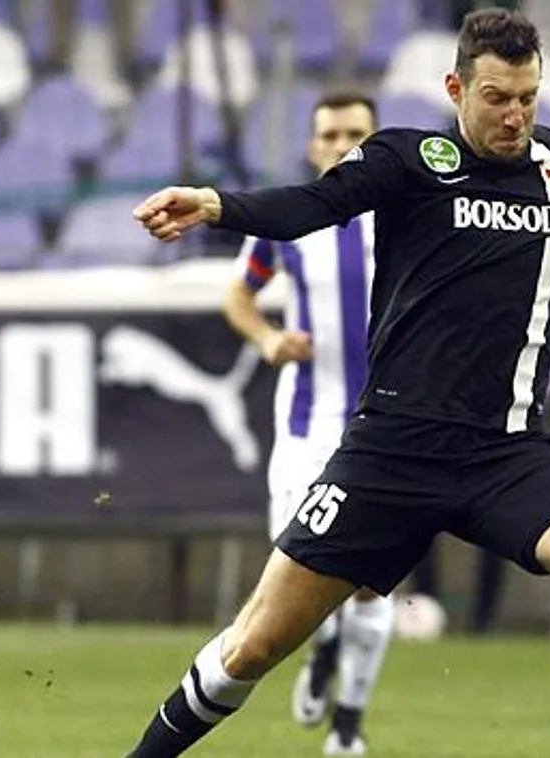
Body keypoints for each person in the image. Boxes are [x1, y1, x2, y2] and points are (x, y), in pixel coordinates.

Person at [121, 10, 550, 758]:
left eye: (527, 97)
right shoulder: (406, 159)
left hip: (506, 454)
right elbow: (312, 205)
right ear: (457, 89)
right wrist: (216, 205)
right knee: (253, 646)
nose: (514, 115)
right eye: (497, 98)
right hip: (391, 451)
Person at [222, 88, 391, 757]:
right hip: (305, 425)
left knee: (371, 583)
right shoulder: (289, 219)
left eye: (355, 134)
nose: (342, 146)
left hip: (383, 426)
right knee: (297, 563)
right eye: (330, 135)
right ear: (311, 145)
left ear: (376, 141)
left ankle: (349, 721)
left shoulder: (406, 213)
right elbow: (238, 295)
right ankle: (321, 648)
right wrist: (267, 338)